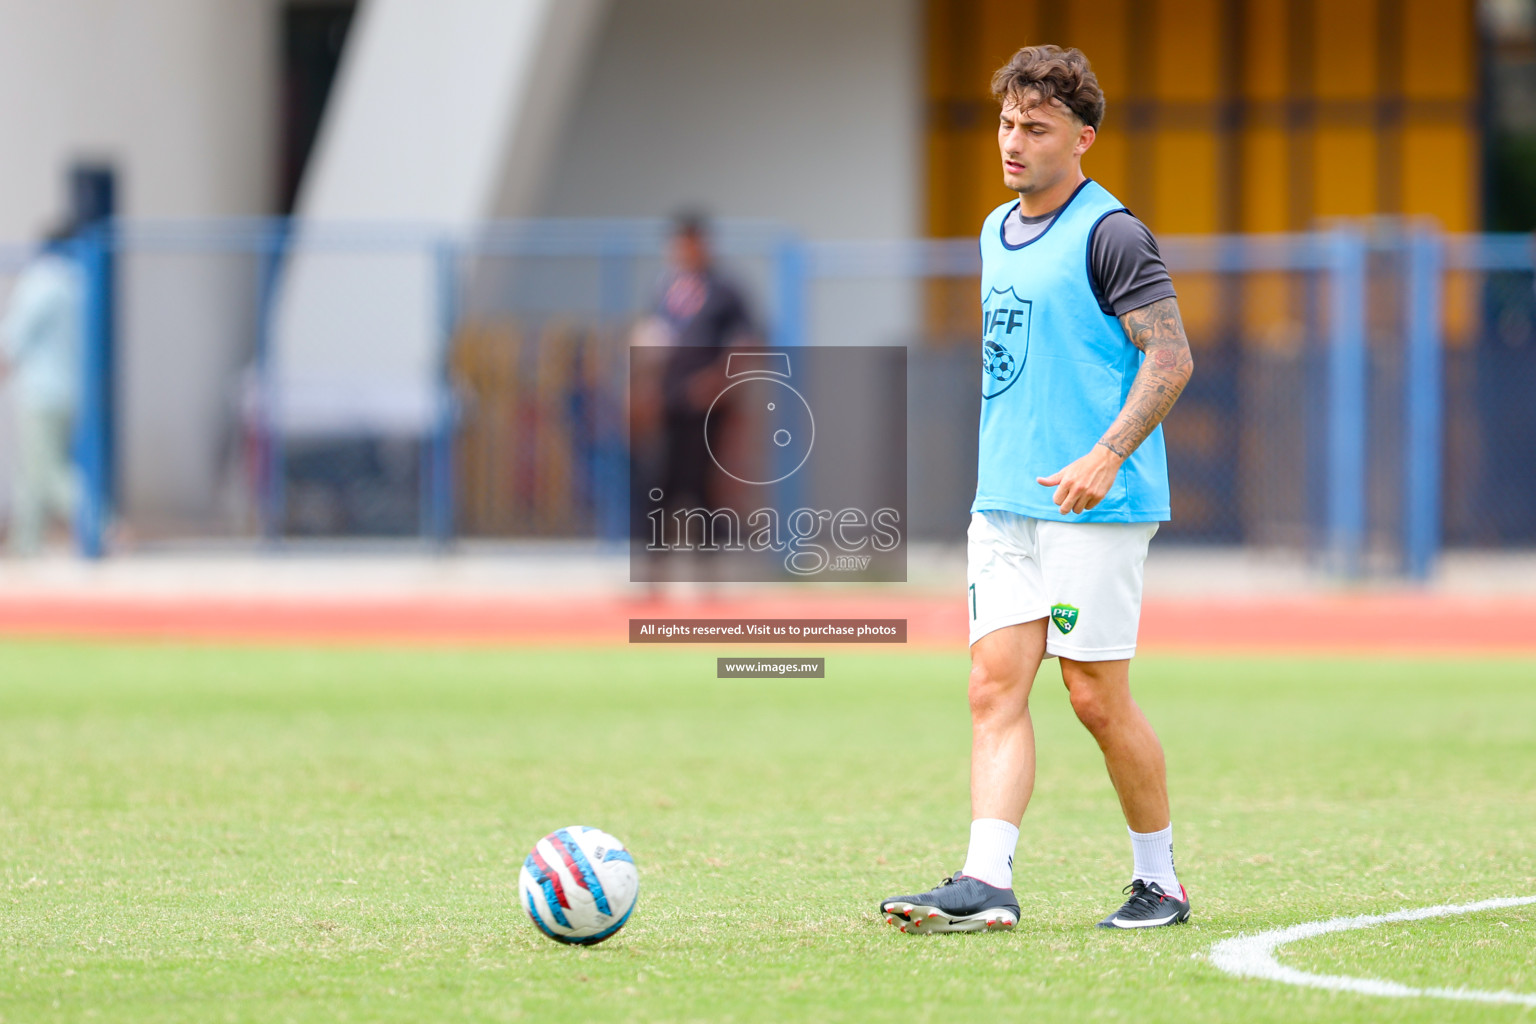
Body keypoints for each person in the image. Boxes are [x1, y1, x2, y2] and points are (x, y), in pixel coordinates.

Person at [880, 45, 1196, 932]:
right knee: (993, 687)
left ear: (1083, 138)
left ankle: (1160, 882)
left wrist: (1105, 455)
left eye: (1037, 127)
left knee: (1094, 695)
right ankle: (986, 880)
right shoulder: (993, 228)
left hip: (1094, 506)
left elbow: (1169, 357)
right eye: (1007, 123)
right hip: (1005, 502)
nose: (1012, 142)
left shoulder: (1112, 233)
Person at [1, 223, 83, 556]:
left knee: (47, 472)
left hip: (42, 393)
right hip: (75, 391)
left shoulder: (41, 281)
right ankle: (26, 546)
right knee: (34, 474)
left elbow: (11, 342)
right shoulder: (81, 281)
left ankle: (102, 523)